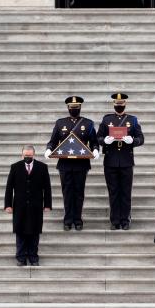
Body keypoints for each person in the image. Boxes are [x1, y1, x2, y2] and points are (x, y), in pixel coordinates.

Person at [45, 96, 99, 231]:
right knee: (67, 192)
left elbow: (94, 141)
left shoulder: (88, 123)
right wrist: (48, 149)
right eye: (72, 108)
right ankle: (68, 219)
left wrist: (96, 149)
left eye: (76, 108)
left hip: (81, 164)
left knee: (79, 192)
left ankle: (78, 219)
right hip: (65, 164)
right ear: (68, 108)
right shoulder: (60, 123)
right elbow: (53, 140)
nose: (74, 110)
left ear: (80, 108)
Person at [97, 93, 144, 230]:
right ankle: (114, 220)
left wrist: (133, 141)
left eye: (121, 104)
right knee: (113, 192)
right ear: (114, 105)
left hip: (126, 161)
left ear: (125, 104)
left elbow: (141, 138)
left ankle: (125, 220)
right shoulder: (107, 120)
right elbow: (98, 137)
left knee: (125, 192)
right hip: (110, 161)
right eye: (117, 104)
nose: (119, 106)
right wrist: (104, 141)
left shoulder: (133, 120)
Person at [4, 145, 52, 267]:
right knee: (20, 232)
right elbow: (9, 188)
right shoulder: (15, 167)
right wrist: (8, 205)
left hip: (36, 206)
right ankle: (21, 257)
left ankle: (33, 257)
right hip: (19, 206)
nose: (27, 158)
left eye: (29, 156)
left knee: (34, 232)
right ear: (22, 155)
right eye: (25, 156)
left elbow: (47, 188)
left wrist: (47, 204)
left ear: (34, 155)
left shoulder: (42, 167)